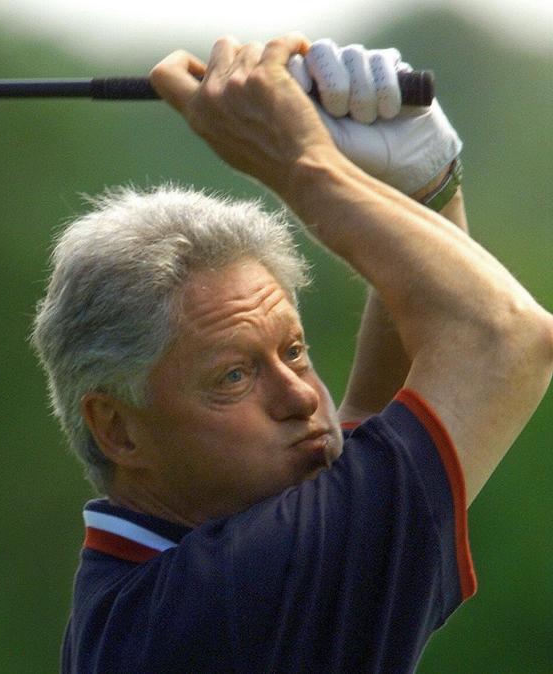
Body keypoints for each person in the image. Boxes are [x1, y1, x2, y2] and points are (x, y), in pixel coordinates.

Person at [31, 35, 553, 672]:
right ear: (116, 427)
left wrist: (421, 189)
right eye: (234, 375)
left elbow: (380, 418)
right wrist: (302, 161)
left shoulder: (157, 577)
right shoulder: (227, 595)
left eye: (294, 350)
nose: (302, 396)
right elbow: (502, 340)